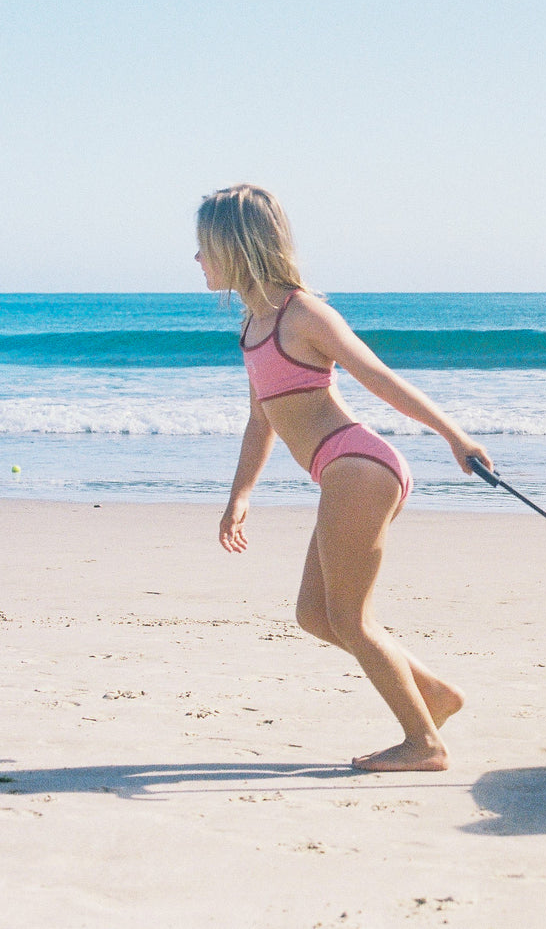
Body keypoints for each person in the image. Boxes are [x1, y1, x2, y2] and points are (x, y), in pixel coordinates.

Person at [197, 184, 493, 772]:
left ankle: (425, 743)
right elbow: (262, 421)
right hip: (341, 471)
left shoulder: (303, 313)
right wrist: (240, 496)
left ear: (234, 246)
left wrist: (454, 436)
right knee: (315, 615)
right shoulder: (255, 325)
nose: (198, 261)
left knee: (352, 619)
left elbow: (378, 378)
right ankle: (434, 695)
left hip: (359, 468)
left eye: (204, 247)